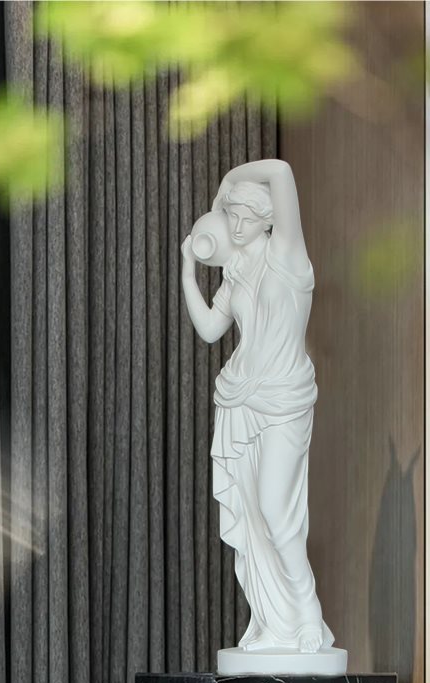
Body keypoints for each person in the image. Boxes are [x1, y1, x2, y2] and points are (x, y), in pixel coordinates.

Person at [181, 158, 333, 654]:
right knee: (252, 517)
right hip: (240, 400)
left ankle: (309, 616)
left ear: (268, 220)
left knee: (274, 508)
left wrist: (229, 180)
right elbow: (210, 330)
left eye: (247, 217)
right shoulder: (236, 273)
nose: (238, 225)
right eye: (232, 215)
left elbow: (283, 171)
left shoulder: (288, 254)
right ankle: (274, 621)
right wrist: (188, 270)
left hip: (285, 398)